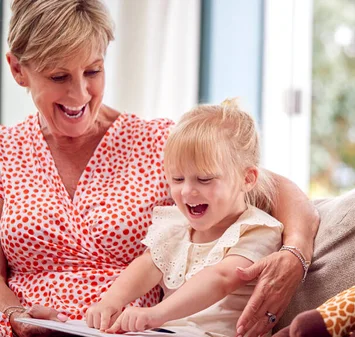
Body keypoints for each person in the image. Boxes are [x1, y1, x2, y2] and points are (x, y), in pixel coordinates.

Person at [0, 1, 319, 337]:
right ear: (18, 70)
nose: (79, 93)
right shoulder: (4, 152)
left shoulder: (158, 143)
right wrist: (14, 314)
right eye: (58, 76)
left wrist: (295, 254)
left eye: (93, 71)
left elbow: (275, 188)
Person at [86, 100, 284, 336]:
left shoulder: (258, 230)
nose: (187, 191)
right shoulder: (175, 226)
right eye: (178, 179)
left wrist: (155, 314)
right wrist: (110, 302)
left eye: (204, 179)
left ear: (247, 179)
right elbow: (148, 265)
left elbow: (221, 278)